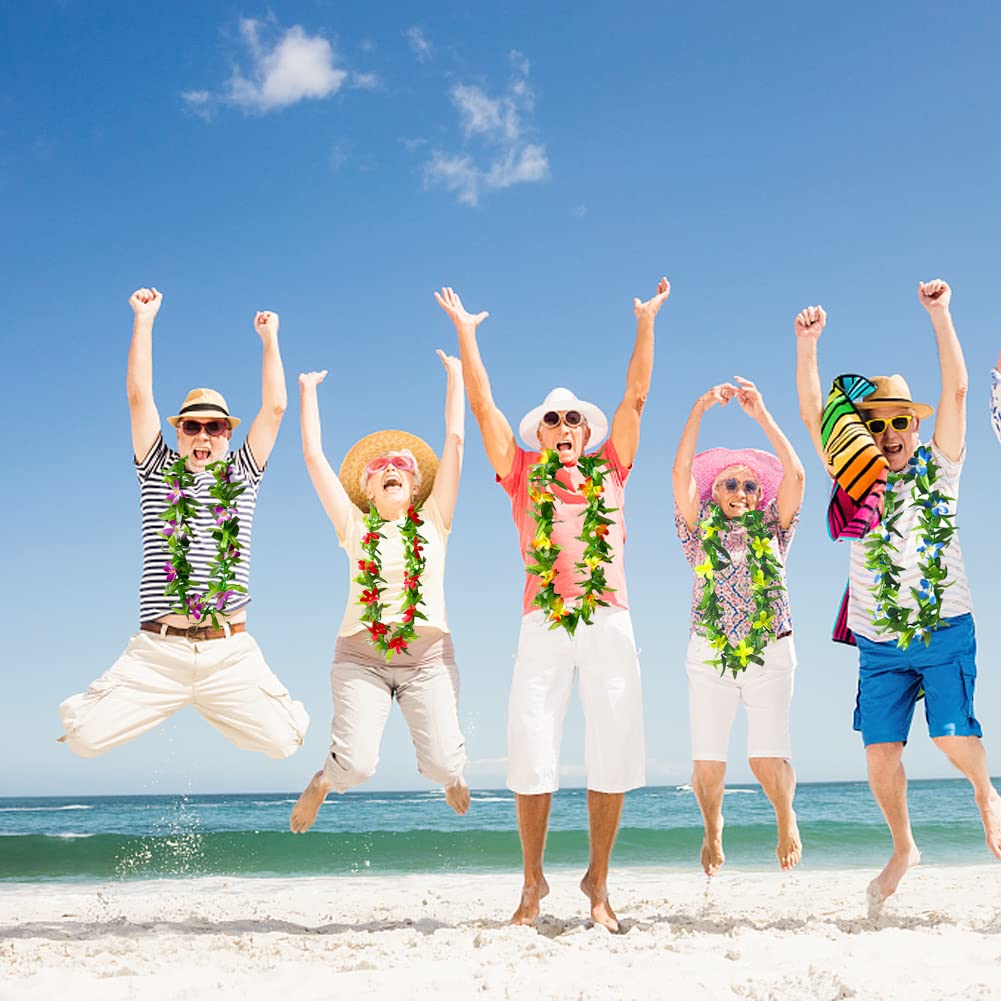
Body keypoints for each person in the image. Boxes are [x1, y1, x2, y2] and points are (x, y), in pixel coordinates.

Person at [436, 278, 669, 932]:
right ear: (539, 433)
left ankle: (597, 881)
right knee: (530, 747)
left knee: (613, 747)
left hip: (610, 618)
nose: (563, 425)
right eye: (551, 418)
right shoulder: (520, 473)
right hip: (541, 621)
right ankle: (532, 880)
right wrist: (468, 334)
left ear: (584, 432)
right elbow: (482, 406)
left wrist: (645, 322)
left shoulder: (611, 468)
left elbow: (636, 395)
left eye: (572, 419)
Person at [795, 281, 1001, 914]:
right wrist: (807, 347)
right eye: (874, 423)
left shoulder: (942, 467)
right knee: (880, 755)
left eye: (899, 422)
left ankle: (984, 792)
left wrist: (940, 316)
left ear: (915, 425)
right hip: (878, 640)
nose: (887, 433)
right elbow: (811, 414)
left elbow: (960, 391)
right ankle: (904, 847)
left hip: (943, 628)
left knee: (947, 735)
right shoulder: (853, 480)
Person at [59, 287, 308, 759]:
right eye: (191, 426)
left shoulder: (243, 473)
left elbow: (275, 409)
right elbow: (138, 395)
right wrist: (144, 319)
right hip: (159, 652)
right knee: (83, 740)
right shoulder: (156, 469)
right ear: (178, 432)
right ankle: (170, 698)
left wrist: (270, 339)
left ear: (227, 435)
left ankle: (217, 702)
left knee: (285, 743)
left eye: (214, 427)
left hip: (228, 652)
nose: (202, 435)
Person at [290, 349, 470, 833]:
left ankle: (449, 774)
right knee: (358, 766)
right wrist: (307, 392)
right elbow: (313, 458)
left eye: (402, 465)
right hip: (360, 660)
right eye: (379, 467)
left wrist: (456, 375)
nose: (390, 467)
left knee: (443, 766)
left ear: (415, 487)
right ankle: (322, 782)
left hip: (427, 661)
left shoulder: (435, 520)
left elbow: (454, 441)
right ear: (367, 491)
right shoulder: (353, 526)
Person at [672, 377, 805, 876]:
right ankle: (712, 826)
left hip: (772, 651)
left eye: (750, 485)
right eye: (730, 483)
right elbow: (681, 470)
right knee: (708, 762)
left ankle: (785, 817)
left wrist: (763, 415)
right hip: (709, 654)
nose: (742, 492)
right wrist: (699, 407)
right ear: (715, 492)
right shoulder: (697, 531)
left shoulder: (775, 526)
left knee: (765, 759)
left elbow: (795, 472)